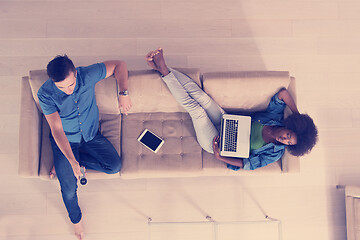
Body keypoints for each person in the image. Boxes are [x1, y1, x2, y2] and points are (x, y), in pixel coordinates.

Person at [145, 48, 318, 171]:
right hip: (227, 121)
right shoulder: (275, 117)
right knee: (202, 98)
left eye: (288, 143)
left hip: (216, 142)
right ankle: (162, 69)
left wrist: (220, 156)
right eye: (288, 135)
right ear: (291, 127)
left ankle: (164, 69)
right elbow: (283, 94)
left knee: (196, 110)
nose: (284, 139)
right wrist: (297, 115)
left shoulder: (275, 153)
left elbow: (248, 165)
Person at [37, 55, 132, 239]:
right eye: (61, 87)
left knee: (114, 166)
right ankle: (77, 222)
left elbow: (120, 64)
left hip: (90, 135)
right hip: (65, 139)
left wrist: (123, 93)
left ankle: (64, 162)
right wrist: (71, 162)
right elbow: (56, 129)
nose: (67, 90)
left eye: (70, 85)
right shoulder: (45, 93)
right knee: (69, 189)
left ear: (75, 74)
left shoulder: (87, 74)